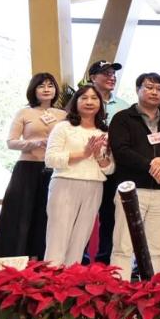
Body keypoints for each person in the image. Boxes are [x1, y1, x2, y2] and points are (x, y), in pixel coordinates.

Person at [108, 73, 160, 281]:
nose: (154, 92)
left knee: (156, 247)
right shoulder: (123, 118)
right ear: (137, 89)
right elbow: (121, 151)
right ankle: (119, 290)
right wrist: (152, 166)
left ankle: (150, 292)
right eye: (149, 87)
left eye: (159, 89)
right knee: (123, 245)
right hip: (131, 191)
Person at [0, 73, 65, 259]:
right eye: (41, 86)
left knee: (46, 214)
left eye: (50, 85)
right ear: (33, 90)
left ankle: (41, 257)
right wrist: (34, 143)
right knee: (21, 212)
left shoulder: (63, 115)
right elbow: (11, 142)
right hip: (27, 167)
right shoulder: (24, 113)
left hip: (53, 170)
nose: (46, 89)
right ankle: (14, 256)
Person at [42, 85, 113, 266]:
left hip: (94, 185)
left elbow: (110, 169)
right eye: (84, 98)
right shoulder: (63, 127)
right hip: (65, 183)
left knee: (81, 237)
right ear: (76, 102)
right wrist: (84, 153)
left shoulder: (104, 132)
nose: (89, 102)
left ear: (100, 104)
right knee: (58, 234)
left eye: (94, 98)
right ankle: (52, 275)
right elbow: (50, 159)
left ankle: (71, 277)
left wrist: (98, 156)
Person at [87, 60, 128, 265]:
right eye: (106, 73)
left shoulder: (124, 106)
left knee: (109, 214)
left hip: (113, 168)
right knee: (83, 214)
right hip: (85, 167)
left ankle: (105, 260)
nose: (111, 77)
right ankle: (79, 260)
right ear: (93, 77)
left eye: (113, 74)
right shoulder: (83, 101)